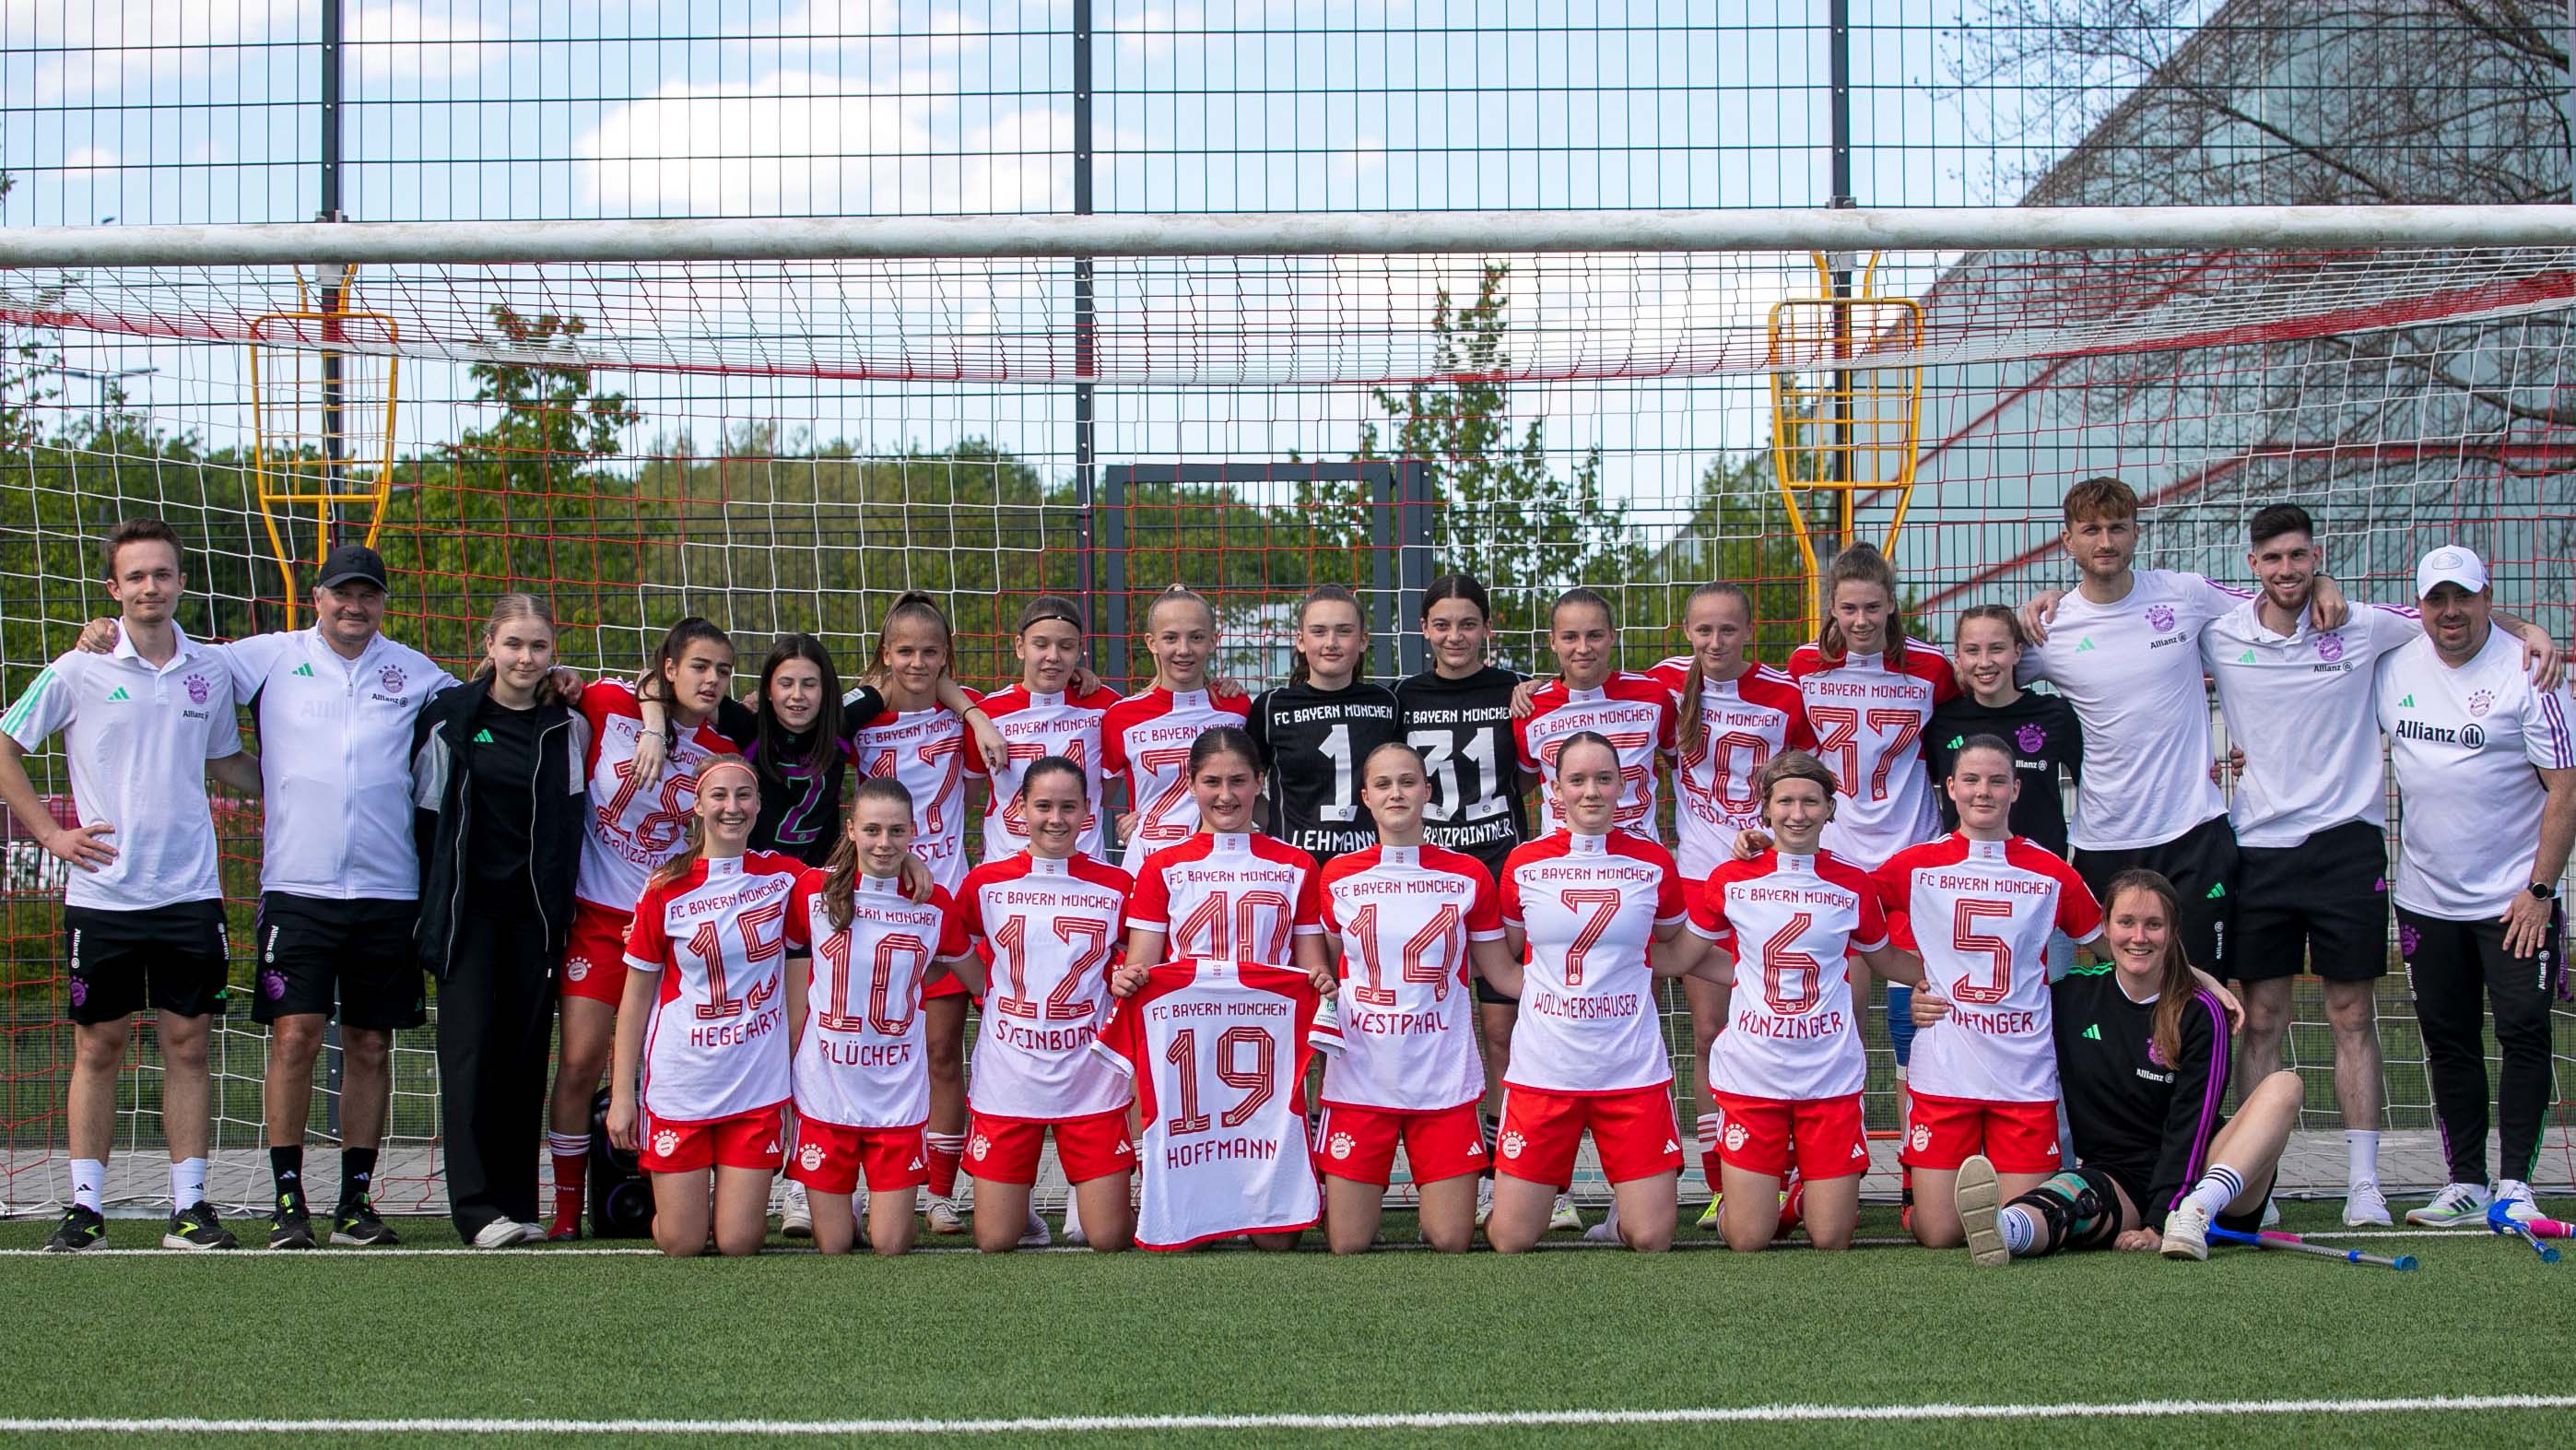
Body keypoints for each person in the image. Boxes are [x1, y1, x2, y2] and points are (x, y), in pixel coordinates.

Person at [67, 545, 581, 1247]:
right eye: (342, 593)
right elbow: (173, 651)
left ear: (381, 602)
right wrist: (108, 632)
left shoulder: (413, 672)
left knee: (370, 1044)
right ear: (317, 597)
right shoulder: (264, 656)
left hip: (389, 888)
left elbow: (493, 692)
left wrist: (564, 682)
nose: (354, 606)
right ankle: (287, 1201)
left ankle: (356, 1204)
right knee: (295, 1036)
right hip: (297, 887)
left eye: (367, 595)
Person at [2205, 508, 2558, 1226]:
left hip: (2347, 845)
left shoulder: (2365, 625)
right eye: (2272, 558)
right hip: (2259, 847)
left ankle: (2364, 1183)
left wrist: (2532, 632)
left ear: (2315, 557)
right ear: (2252, 564)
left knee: (2351, 1012)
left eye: (2299, 557)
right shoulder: (2218, 628)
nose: (2286, 571)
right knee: (2263, 1017)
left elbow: (2460, 618)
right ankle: (2252, 1184)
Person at [5, 519, 258, 1252]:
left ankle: (190, 1208)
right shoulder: (78, 668)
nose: (152, 586)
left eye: (164, 574)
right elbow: (4, 747)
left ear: (182, 582)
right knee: (99, 1047)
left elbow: (228, 764)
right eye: (136, 576)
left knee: (188, 1043)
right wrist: (51, 835)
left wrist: (305, 778)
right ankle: (85, 1208)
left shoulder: (208, 671)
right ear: (114, 589)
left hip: (189, 893)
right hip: (102, 896)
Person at [2014, 477, 2331, 980]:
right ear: (2068, 540)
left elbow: (2273, 611)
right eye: (2090, 530)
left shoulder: (2184, 593)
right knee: (2123, 998)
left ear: (2136, 533)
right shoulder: (2050, 627)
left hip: (2193, 833)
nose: (2105, 542)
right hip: (2106, 838)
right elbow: (1983, 679)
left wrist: (2323, 581)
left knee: (2204, 995)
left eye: (2117, 528)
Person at [1932, 869, 2300, 1266]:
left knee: (2285, 1087)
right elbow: (1990, 1012)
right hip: (2117, 1174)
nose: (2139, 937)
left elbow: (2189, 1127)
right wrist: (1925, 996)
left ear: (2173, 931)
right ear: (2105, 927)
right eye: (2126, 923)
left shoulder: (2200, 1012)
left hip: (2206, 1172)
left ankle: (2191, 1216)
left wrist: (2161, 1222)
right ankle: (2005, 1229)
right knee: (2074, 1199)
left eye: (2153, 925)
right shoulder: (2071, 997)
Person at [2376, 545, 2576, 1226]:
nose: (2450, 612)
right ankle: (2464, 1180)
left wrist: (2539, 890)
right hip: (2426, 897)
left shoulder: (2530, 674)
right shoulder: (2396, 654)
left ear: (2488, 599)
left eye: (2464, 597)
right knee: (2447, 1037)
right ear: (2421, 604)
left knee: (2522, 1030)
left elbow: (2566, 787)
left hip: (2514, 900)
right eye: (2437, 599)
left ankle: (2516, 1184)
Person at [1482, 732, 1726, 1255]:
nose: (1590, 791)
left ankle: (1619, 1216)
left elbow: (1678, 951)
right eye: (1577, 780)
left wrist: (1760, 980)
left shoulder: (1653, 864)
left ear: (1624, 785)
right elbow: (1505, 962)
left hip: (1630, 1070)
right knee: (1509, 1239)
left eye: (1603, 779)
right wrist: (1545, 991)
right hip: (1545, 1071)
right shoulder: (1523, 865)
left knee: (1652, 1238)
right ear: (1555, 790)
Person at [550, 617, 746, 1239]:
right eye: (699, 666)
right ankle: (562, 1210)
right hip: (599, 917)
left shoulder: (723, 754)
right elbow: (557, 687)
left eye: (722, 669)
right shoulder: (610, 705)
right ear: (668, 667)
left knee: (665, 1067)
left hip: (676, 929)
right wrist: (650, 719)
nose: (711, 679)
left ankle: (672, 1200)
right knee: (581, 1060)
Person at [1686, 750, 1924, 1254]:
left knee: (1832, 1238)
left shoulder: (1854, 884)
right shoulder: (1731, 879)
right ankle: (1746, 1200)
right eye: (1786, 801)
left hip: (1829, 1074)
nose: (1798, 813)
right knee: (1748, 1239)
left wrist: (1953, 976)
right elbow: (1686, 955)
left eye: (1811, 801)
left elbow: (1885, 960)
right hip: (1754, 1074)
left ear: (1831, 809)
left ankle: (1800, 1198)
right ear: (1765, 809)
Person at [411, 595, 591, 1248]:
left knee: (521, 1058)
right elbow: (427, 819)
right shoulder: (450, 717)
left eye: (538, 646)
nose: (524, 657)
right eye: (513, 643)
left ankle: (517, 1201)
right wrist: (436, 907)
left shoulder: (567, 724)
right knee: (470, 1056)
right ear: (488, 645)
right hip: (469, 915)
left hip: (535, 917)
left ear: (552, 652)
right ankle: (475, 1208)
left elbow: (570, 819)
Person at [1874, 737, 2103, 1248]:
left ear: (2016, 789)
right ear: (1950, 787)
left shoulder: (2050, 870)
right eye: (1972, 780)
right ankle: (1918, 1199)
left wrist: (2195, 977)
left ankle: (2060, 1189)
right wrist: (1913, 975)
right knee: (1939, 1235)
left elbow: (2116, 944)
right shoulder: (1913, 865)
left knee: (2016, 1225)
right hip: (1945, 1068)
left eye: (1997, 781)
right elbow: (1838, 902)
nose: (1984, 792)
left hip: (2022, 1076)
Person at [1394, 574, 1565, 1232]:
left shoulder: (1516, 689)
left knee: (1504, 1032)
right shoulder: (1402, 698)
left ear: (1487, 629)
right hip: (1427, 877)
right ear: (1423, 629)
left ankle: (1515, 1168)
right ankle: (1424, 1164)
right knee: (1422, 1024)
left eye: (1468, 623)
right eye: (1442, 623)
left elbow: (1537, 763)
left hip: (1499, 871)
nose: (1455, 635)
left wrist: (1530, 691)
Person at [1650, 580, 1812, 1221]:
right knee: (1713, 1031)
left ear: (1748, 632)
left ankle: (1792, 1173)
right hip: (1696, 882)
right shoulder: (1660, 685)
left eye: (1727, 630)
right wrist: (1526, 689)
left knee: (1782, 1028)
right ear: (1685, 633)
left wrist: (1769, 837)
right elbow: (1592, 692)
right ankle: (1722, 1179)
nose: (1714, 642)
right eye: (1702, 630)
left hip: (1771, 885)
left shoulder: (1782, 695)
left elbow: (1805, 785)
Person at [1312, 741, 1514, 1254]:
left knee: (1450, 1241)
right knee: (1346, 1244)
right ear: (1365, 797)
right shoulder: (1337, 875)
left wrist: (1580, 986)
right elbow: (1326, 969)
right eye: (1382, 784)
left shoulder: (1468, 875)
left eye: (1407, 782)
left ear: (1427, 791)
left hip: (1440, 1076)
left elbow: (1501, 974)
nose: (1396, 793)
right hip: (1362, 1074)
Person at [1782, 543, 1958, 1116]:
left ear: (1891, 606)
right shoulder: (1805, 665)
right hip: (1837, 859)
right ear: (1831, 606)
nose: (1861, 621)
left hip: (1912, 856)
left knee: (1919, 1013)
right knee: (1840, 1013)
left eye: (1873, 608)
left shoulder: (1930, 668)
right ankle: (1842, 1144)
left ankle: (1920, 1151)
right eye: (1849, 609)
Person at [606, 757, 799, 1258]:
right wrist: (624, 1095)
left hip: (755, 1083)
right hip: (682, 1082)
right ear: (697, 805)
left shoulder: (783, 877)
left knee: (739, 1242)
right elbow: (634, 1001)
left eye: (744, 796)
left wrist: (906, 860)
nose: (732, 808)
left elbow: (859, 873)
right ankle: (673, 1214)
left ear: (758, 805)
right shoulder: (664, 888)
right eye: (719, 796)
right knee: (682, 1243)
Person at [846, 590, 993, 1232]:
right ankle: (836, 1181)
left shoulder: (963, 720)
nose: (917, 661)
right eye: (904, 650)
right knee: (858, 1049)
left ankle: (938, 1191)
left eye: (930, 651)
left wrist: (972, 709)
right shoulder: (857, 724)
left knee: (939, 1053)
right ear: (884, 655)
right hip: (871, 908)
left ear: (946, 658)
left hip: (941, 903)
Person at [782, 776, 975, 1256]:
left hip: (896, 1092)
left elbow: (978, 980)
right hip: (828, 1084)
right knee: (835, 1246)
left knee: (891, 1245)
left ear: (913, 834)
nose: (883, 843)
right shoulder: (812, 889)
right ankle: (836, 1205)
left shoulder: (933, 902)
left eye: (896, 832)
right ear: (850, 830)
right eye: (871, 830)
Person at [950, 757, 1136, 1253]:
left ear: (1088, 813)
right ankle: (1021, 1213)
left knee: (1110, 1239)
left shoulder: (1118, 886)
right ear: (1021, 809)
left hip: (1087, 1074)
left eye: (1068, 807)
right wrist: (986, 993)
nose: (1056, 818)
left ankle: (1082, 1197)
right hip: (1010, 1073)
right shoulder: (985, 883)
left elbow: (1137, 960)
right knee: (994, 1241)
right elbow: (955, 944)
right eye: (1044, 806)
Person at [1122, 725, 1331, 984]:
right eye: (1211, 781)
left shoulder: (1298, 865)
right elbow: (1141, 968)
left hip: (1271, 1020)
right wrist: (1129, 979)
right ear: (1191, 785)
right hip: (1189, 1018)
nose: (1225, 795)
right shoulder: (1161, 866)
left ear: (1259, 782)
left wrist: (1322, 981)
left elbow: (1313, 971)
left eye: (1238, 780)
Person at [1248, 584, 1403, 866]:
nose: (1331, 642)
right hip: (1294, 867)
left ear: (1363, 640)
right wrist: (1278, 827)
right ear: (1300, 641)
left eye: (1344, 631)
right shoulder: (1271, 707)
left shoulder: (1387, 703)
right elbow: (1242, 785)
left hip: (1369, 868)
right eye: (1319, 631)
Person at [1103, 584, 1253, 876]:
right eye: (1170, 638)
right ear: (1151, 642)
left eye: (1196, 638)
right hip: (1149, 866)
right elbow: (1096, 802)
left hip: (1224, 867)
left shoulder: (1238, 707)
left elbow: (1252, 786)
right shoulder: (1121, 716)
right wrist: (1123, 825)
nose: (1183, 650)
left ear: (1212, 641)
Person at [1513, 587, 1676, 843]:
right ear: (1553, 642)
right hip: (1562, 864)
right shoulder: (1530, 708)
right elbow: (1521, 785)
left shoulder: (1653, 697)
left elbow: (1685, 767)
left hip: (1639, 861)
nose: (1583, 648)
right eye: (1570, 637)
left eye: (1594, 635)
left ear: (1612, 636)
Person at [971, 595, 1124, 864]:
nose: (1053, 657)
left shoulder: (1106, 705)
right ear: (1020, 646)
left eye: (1066, 646)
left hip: (1085, 867)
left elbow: (1105, 789)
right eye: (1040, 644)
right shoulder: (987, 712)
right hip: (1006, 868)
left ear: (1078, 651)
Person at [1924, 606, 2081, 862]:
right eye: (1973, 650)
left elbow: (2090, 783)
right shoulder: (1941, 721)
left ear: (2017, 652)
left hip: (2039, 875)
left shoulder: (2054, 715)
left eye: (1997, 648)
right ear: (1958, 657)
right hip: (1964, 874)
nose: (1985, 662)